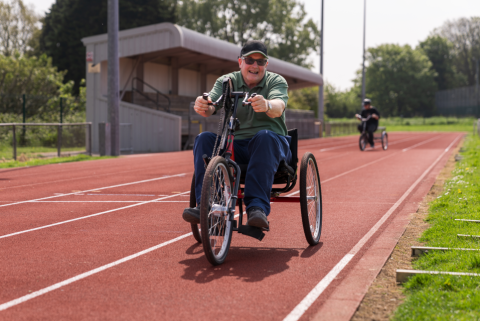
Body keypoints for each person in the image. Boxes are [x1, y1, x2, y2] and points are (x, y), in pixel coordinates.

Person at [182, 40, 291, 229]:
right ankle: (205, 205)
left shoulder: (276, 81)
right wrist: (203, 104)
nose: (255, 66)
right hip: (236, 145)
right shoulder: (227, 81)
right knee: (204, 139)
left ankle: (257, 208)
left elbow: (279, 107)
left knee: (264, 136)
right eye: (250, 60)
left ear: (267, 64)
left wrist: (267, 105)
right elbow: (211, 105)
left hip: (271, 144)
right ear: (240, 62)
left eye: (260, 61)